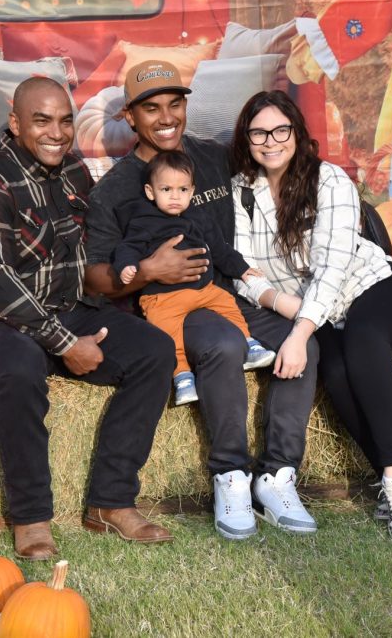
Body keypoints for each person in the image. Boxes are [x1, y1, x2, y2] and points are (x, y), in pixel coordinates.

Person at [84, 60, 319, 540]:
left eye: (175, 104)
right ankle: (231, 475)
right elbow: (94, 278)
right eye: (151, 108)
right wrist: (148, 270)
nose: (166, 117)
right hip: (171, 306)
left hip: (230, 292)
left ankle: (276, 474)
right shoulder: (116, 190)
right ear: (130, 116)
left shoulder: (214, 159)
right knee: (224, 345)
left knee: (304, 340)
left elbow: (280, 161)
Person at [0, 76, 176, 560]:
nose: (57, 132)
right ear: (15, 124)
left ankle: (110, 502)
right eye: (42, 120)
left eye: (66, 120)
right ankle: (31, 516)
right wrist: (65, 343)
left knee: (154, 352)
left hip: (69, 310)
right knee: (22, 366)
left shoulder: (74, 172)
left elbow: (94, 255)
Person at [229, 90, 392, 536]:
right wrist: (280, 304)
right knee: (334, 370)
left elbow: (334, 268)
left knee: (361, 344)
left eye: (281, 130)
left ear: (297, 133)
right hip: (311, 310)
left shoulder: (330, 180)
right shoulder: (242, 192)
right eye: (259, 132)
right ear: (247, 138)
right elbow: (242, 269)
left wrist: (298, 335)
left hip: (371, 288)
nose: (270, 140)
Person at [113, 149, 276, 405]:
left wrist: (241, 268)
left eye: (182, 190)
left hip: (203, 290)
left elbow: (220, 248)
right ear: (150, 192)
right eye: (166, 190)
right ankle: (182, 377)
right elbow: (128, 247)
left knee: (229, 304)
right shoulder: (144, 220)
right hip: (163, 298)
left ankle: (249, 343)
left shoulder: (199, 217)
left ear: (192, 191)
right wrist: (127, 266)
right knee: (169, 335)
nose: (175, 197)